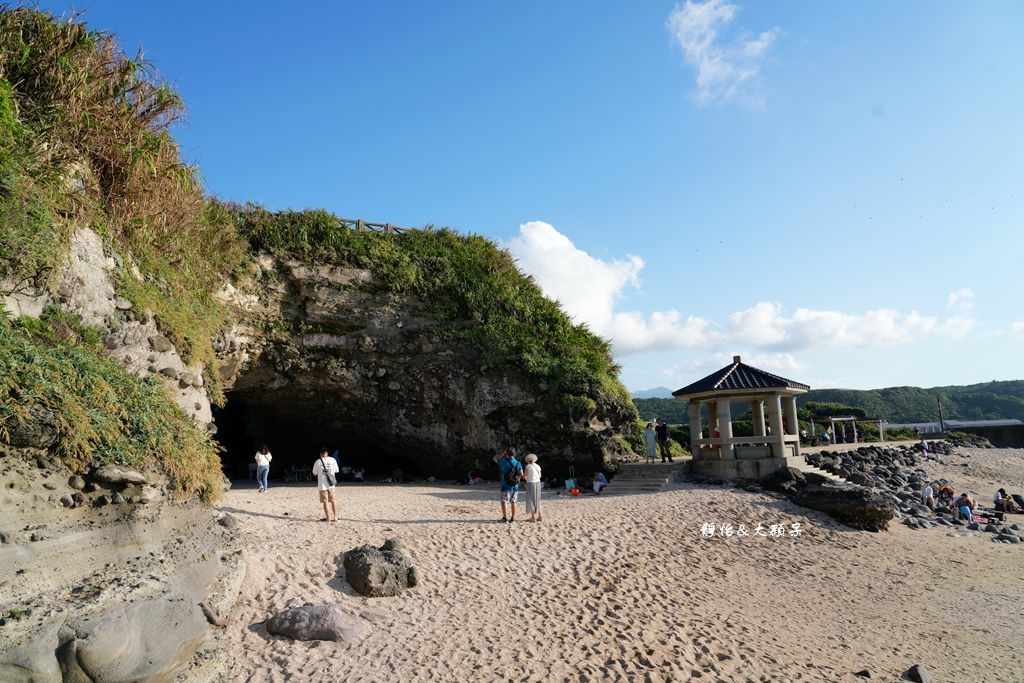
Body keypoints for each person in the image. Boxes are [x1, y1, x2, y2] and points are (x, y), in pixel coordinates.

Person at [493, 449, 523, 523]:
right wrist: (517, 478)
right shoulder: (518, 463)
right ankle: (513, 518)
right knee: (514, 502)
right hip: (515, 485)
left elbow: (494, 458)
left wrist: (502, 454)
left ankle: (505, 518)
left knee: (504, 502)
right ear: (514, 454)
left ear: (507, 454)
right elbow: (521, 474)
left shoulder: (503, 461)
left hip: (505, 485)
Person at [312, 447, 339, 522]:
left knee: (325, 502)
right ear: (327, 453)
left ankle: (328, 518)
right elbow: (337, 470)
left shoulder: (318, 461)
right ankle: (335, 517)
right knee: (333, 500)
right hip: (331, 484)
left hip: (322, 485)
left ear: (320, 454)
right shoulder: (333, 460)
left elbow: (314, 473)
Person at [523, 453, 543, 522]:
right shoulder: (538, 466)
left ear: (527, 460)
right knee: (538, 499)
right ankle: (540, 516)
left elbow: (524, 476)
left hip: (531, 483)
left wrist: (527, 479)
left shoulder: (527, 466)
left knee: (531, 499)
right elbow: (540, 476)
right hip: (538, 483)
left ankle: (533, 517)